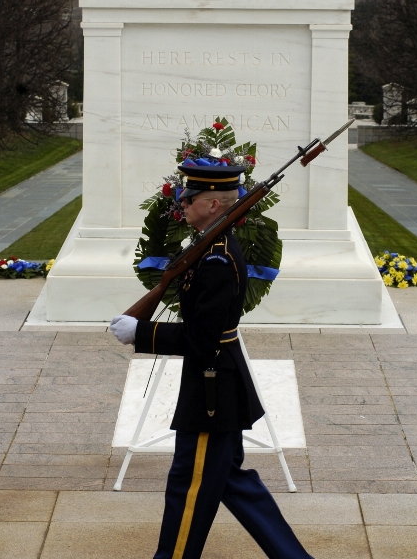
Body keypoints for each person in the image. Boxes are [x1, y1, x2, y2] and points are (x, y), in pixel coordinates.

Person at [111, 165, 315, 559]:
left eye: (189, 199)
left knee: (190, 487)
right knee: (230, 482)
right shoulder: (208, 244)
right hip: (216, 383)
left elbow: (203, 339)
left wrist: (142, 333)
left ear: (214, 204)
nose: (182, 203)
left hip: (212, 390)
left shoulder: (217, 259)